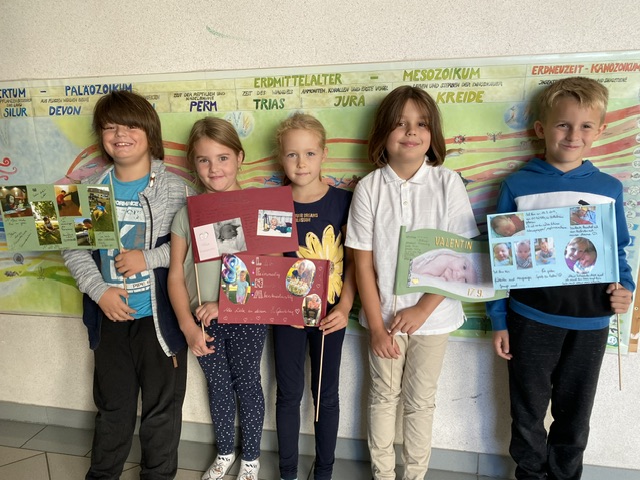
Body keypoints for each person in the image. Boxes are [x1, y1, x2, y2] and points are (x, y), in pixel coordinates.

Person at [486, 77, 634, 480]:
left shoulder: (608, 189)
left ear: (600, 131)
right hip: (530, 317)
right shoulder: (518, 185)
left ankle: (566, 476)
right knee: (527, 411)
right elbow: (499, 256)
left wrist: (626, 289)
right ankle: (530, 475)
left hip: (591, 322)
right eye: (563, 124)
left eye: (585, 126)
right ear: (541, 128)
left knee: (575, 415)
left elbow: (618, 250)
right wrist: (498, 317)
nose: (573, 135)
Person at [345, 86, 479, 480]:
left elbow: (461, 255)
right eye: (400, 123)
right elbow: (362, 262)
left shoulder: (448, 183)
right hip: (384, 318)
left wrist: (422, 308)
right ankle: (383, 474)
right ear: (383, 133)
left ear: (432, 134)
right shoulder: (369, 188)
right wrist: (375, 326)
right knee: (383, 396)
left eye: (421, 124)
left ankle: (415, 475)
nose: (411, 131)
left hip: (435, 318)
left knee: (420, 401)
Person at [61, 90, 190, 480]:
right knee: (112, 408)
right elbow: (72, 249)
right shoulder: (90, 189)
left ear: (150, 132)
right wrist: (99, 291)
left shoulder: (176, 189)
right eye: (110, 127)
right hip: (110, 319)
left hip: (161, 322)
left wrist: (148, 258)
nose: (120, 135)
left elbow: (194, 246)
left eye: (131, 126)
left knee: (162, 412)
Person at [167, 117, 266, 480]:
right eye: (204, 160)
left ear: (240, 158)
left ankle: (251, 458)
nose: (214, 168)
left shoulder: (260, 209)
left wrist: (226, 306)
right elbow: (175, 275)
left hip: (248, 318)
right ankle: (225, 452)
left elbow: (270, 273)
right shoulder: (186, 215)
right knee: (219, 387)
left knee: (247, 384)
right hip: (202, 322)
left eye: (223, 157)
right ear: (193, 164)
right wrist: (187, 326)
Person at [272, 112, 356, 480]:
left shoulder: (345, 202)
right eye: (292, 154)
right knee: (288, 395)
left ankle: (324, 471)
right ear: (281, 157)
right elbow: (267, 263)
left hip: (331, 317)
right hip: (286, 319)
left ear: (324, 154)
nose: (301, 163)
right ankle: (287, 472)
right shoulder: (274, 205)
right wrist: (280, 307)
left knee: (326, 396)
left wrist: (346, 306)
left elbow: (356, 262)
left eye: (309, 153)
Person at [409, 249, 477, 283]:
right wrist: (440, 280)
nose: (459, 274)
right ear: (460, 257)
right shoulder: (444, 261)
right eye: (464, 267)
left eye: (465, 280)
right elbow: (420, 275)